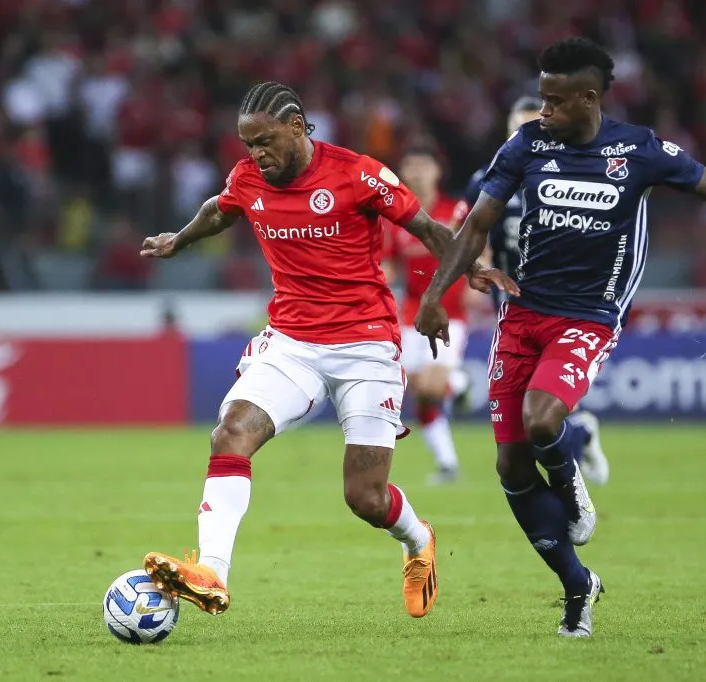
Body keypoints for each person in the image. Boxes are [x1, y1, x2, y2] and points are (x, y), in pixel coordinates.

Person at [414, 38, 706, 638]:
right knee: (510, 466)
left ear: (589, 98)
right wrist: (434, 296)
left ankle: (575, 493)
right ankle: (577, 585)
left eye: (555, 101)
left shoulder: (638, 150)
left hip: (588, 316)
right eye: (541, 98)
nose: (545, 111)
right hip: (521, 314)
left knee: (541, 421)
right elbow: (475, 224)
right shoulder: (527, 145)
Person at [138, 81, 515, 620]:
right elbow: (221, 209)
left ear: (297, 127)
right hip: (292, 342)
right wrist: (180, 238)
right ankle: (212, 572)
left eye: (265, 141)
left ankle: (418, 540)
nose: (257, 155)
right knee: (231, 432)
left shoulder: (357, 173)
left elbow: (428, 228)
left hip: (366, 345)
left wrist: (465, 273)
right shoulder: (249, 177)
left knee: (365, 497)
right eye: (249, 146)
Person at [458, 96, 610, 487]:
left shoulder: (567, 174)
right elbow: (473, 229)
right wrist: (481, 268)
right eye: (516, 125)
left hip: (561, 299)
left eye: (532, 124)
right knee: (525, 399)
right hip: (510, 297)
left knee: (538, 402)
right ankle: (579, 435)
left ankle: (575, 442)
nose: (524, 133)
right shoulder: (489, 175)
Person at [383, 142, 472, 484]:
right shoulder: (395, 219)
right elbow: (388, 264)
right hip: (411, 314)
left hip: (451, 313)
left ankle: (458, 382)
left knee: (432, 390)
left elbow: (482, 247)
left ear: (438, 171)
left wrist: (480, 276)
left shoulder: (457, 211)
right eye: (410, 165)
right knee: (419, 389)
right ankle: (448, 464)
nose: (417, 172)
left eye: (424, 165)